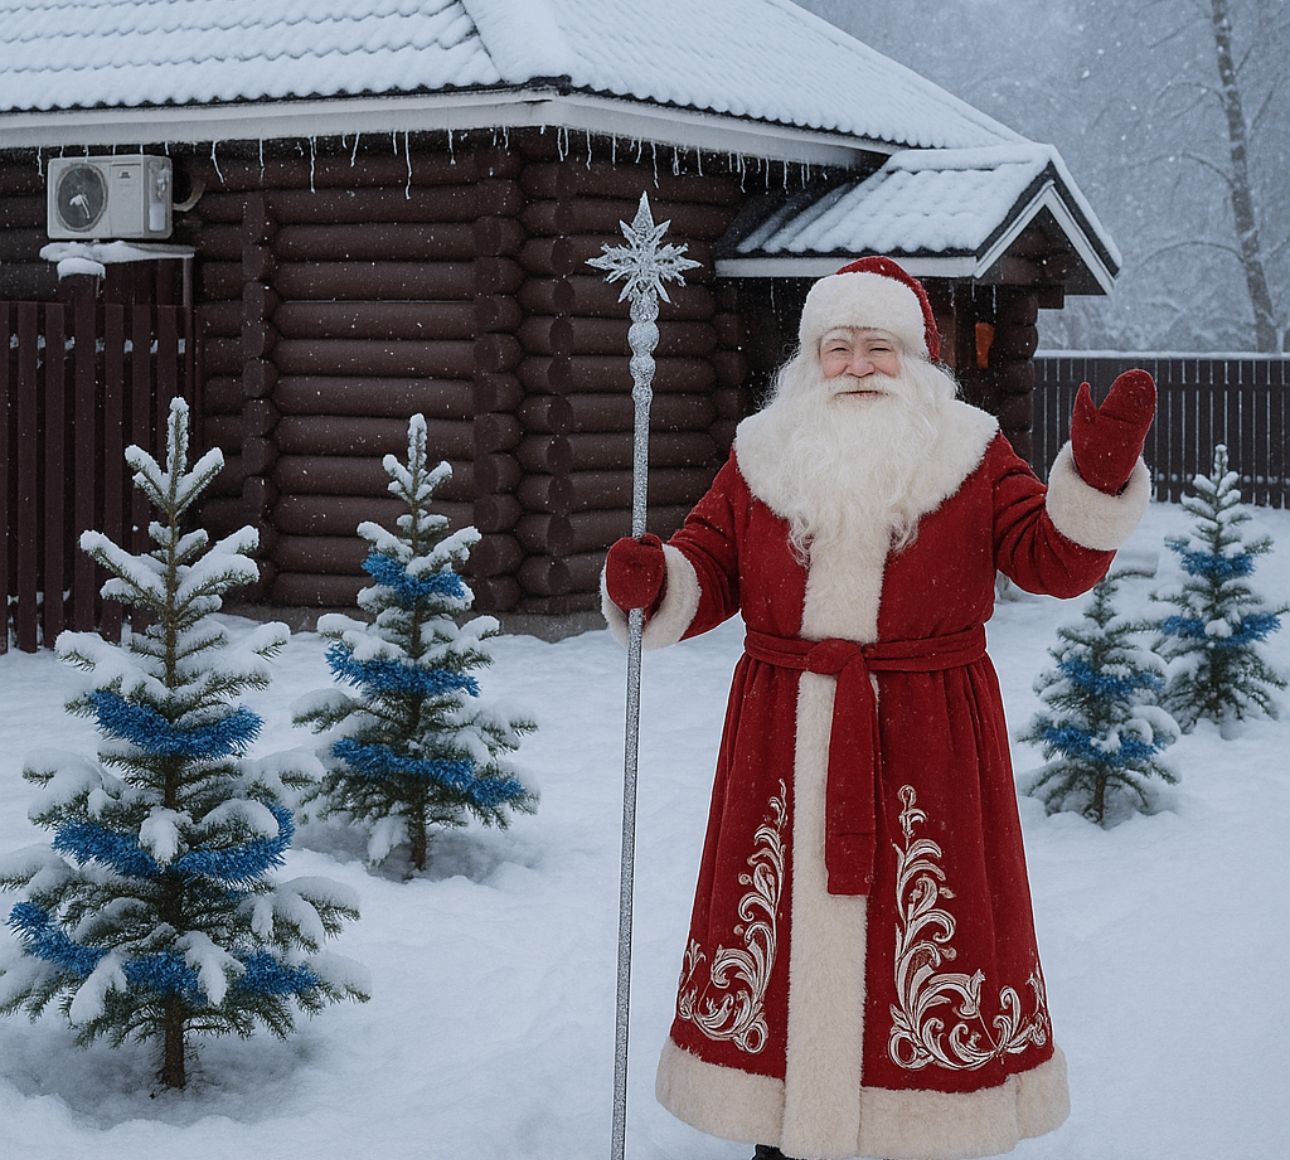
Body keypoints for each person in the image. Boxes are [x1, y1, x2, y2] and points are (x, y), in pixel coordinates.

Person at [601, 257, 1155, 1160]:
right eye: (839, 347)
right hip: (781, 740)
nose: (858, 365)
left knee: (923, 941)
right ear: (811, 360)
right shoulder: (762, 452)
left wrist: (1093, 484)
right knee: (775, 936)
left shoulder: (971, 452)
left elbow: (1051, 559)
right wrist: (652, 580)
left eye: (880, 348)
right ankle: (781, 1134)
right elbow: (708, 567)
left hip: (929, 741)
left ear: (920, 358)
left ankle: (921, 1128)